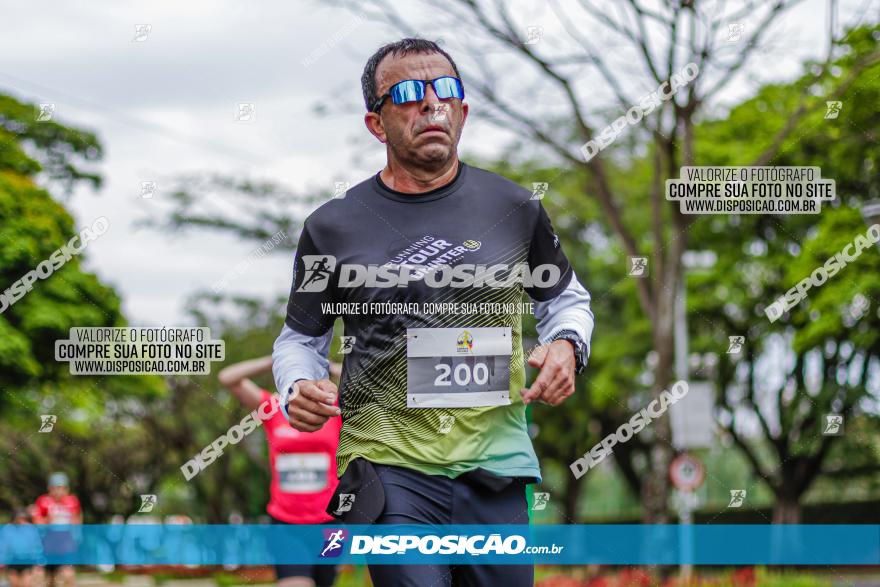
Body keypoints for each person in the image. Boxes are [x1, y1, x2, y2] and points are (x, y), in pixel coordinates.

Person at [273, 38, 594, 586]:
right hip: (389, 463)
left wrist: (567, 343)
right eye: (406, 94)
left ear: (462, 111)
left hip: (496, 464)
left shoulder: (515, 208)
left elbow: (565, 299)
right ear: (376, 124)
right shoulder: (332, 226)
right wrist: (297, 386)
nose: (430, 103)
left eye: (444, 90)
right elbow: (299, 342)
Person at [218, 356, 341, 587]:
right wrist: (277, 358)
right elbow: (228, 378)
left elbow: (369, 384)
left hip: (330, 523)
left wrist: (328, 364)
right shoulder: (274, 408)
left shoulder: (336, 410)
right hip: (286, 522)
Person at [32, 472, 81, 587]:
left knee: (68, 574)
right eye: (56, 488)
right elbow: (37, 522)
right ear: (50, 488)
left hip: (65, 544)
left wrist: (76, 535)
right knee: (48, 578)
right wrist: (48, 520)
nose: (59, 491)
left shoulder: (72, 501)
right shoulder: (43, 501)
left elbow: (76, 520)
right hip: (48, 544)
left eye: (62, 488)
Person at [1, 511, 45, 587]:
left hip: (27, 560)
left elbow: (36, 545)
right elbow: (3, 545)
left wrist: (39, 560)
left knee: (26, 584)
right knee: (15, 584)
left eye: (23, 519)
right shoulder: (7, 529)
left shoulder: (31, 529)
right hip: (12, 560)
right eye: (19, 519)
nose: (21, 521)